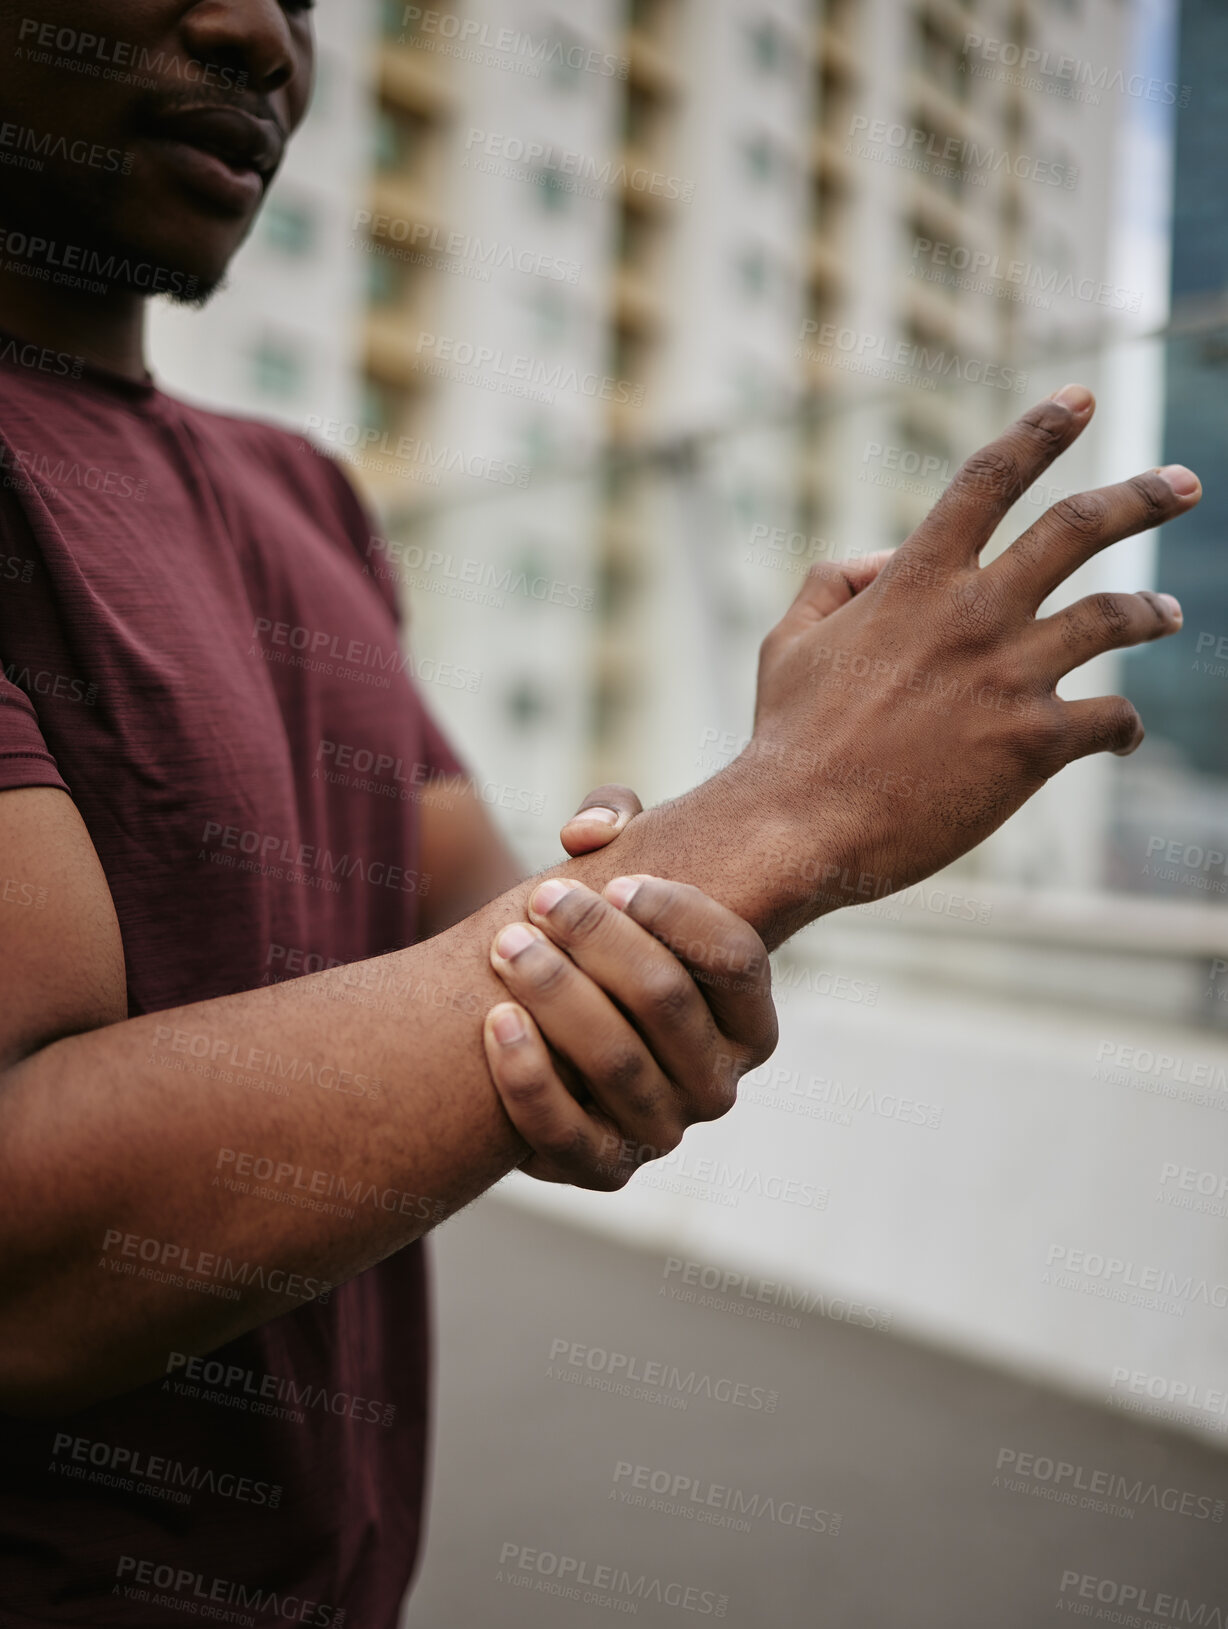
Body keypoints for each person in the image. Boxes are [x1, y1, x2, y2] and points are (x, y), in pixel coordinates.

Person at [0, 3, 1199, 1624]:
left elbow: (477, 927)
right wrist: (792, 803)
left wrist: (636, 953)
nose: (259, 37)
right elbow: (32, 1251)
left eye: (301, 0)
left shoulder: (304, 496)